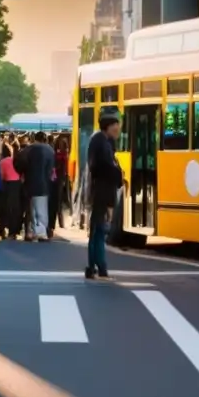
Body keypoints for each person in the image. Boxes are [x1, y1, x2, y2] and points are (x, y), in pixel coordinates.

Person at [86, 113, 123, 280]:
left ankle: (96, 265)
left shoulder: (103, 141)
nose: (118, 128)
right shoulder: (101, 143)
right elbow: (107, 168)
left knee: (99, 229)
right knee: (99, 230)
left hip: (103, 191)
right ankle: (97, 265)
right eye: (115, 125)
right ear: (108, 126)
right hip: (102, 191)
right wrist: (118, 174)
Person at [23, 131, 55, 242]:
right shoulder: (50, 150)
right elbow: (51, 168)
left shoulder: (28, 149)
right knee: (41, 209)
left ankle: (30, 232)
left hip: (29, 183)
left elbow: (19, 162)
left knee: (31, 209)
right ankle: (41, 233)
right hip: (44, 184)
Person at [0, 142, 22, 239]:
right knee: (15, 208)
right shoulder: (14, 160)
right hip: (17, 184)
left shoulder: (3, 162)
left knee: (6, 207)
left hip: (7, 184)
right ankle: (14, 230)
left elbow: (1, 175)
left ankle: (5, 229)